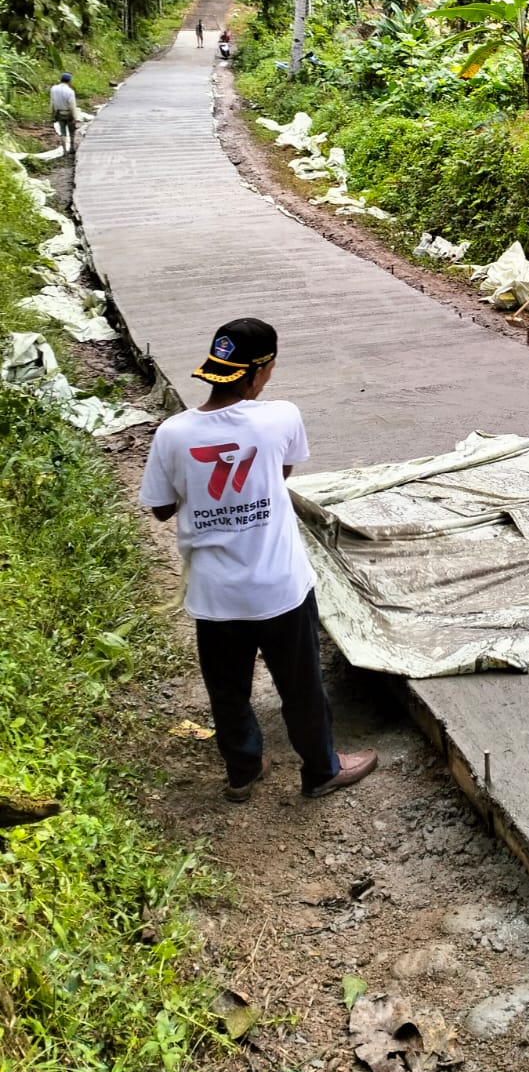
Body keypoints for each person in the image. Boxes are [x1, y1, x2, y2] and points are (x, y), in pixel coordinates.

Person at [139, 318, 378, 802]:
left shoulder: (172, 433)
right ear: (258, 372)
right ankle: (320, 770)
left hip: (214, 592)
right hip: (279, 588)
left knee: (228, 690)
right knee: (301, 686)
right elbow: (280, 469)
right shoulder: (281, 416)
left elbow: (162, 508)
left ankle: (243, 771)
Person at [49, 72, 79, 154]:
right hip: (68, 114)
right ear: (69, 81)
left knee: (63, 132)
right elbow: (72, 105)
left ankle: (64, 150)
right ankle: (72, 148)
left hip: (59, 113)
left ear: (61, 79)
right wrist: (75, 117)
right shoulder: (70, 91)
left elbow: (52, 102)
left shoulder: (54, 89)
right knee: (72, 132)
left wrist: (52, 114)